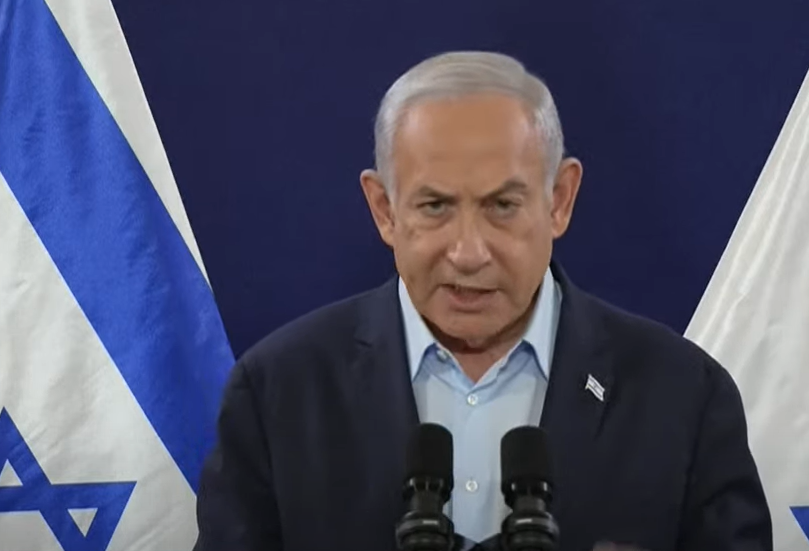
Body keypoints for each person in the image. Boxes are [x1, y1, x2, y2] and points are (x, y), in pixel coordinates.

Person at [193, 51, 772, 551]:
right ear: (384, 209)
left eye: (502, 206)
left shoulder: (684, 397)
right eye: (435, 206)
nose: (468, 252)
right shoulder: (278, 393)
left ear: (559, 200)